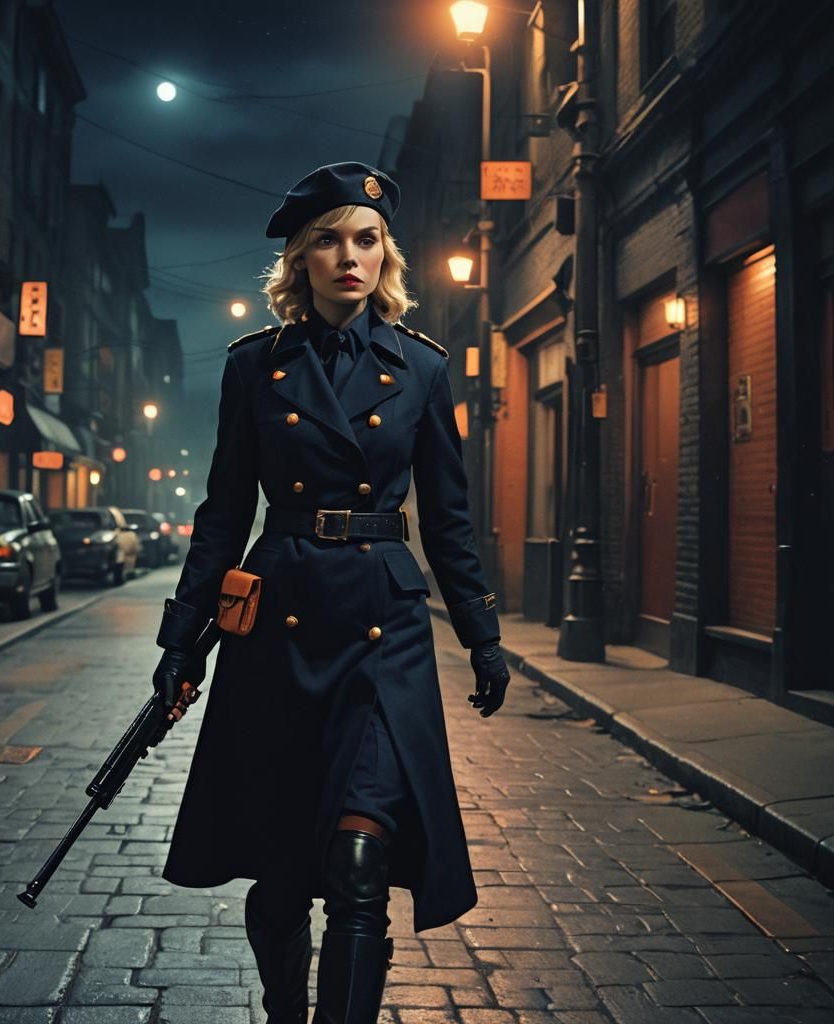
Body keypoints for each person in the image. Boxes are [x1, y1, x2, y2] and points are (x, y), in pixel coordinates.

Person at [151, 161, 511, 1024]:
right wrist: (180, 643)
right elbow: (224, 511)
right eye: (329, 241)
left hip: (384, 630)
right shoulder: (255, 368)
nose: (350, 256)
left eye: (367, 239)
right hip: (278, 625)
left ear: (386, 255)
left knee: (358, 866)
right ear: (300, 261)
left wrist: (481, 631)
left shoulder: (423, 369)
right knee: (282, 879)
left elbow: (449, 518)